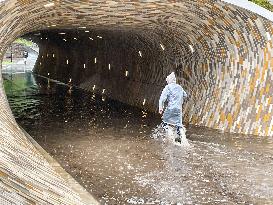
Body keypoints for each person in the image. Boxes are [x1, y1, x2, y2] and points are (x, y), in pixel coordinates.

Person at [159, 72, 188, 144]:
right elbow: (185, 95)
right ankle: (181, 140)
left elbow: (162, 99)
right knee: (178, 125)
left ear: (169, 80)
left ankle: (170, 136)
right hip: (178, 110)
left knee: (165, 121)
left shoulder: (168, 87)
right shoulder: (180, 87)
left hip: (170, 108)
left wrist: (161, 107)